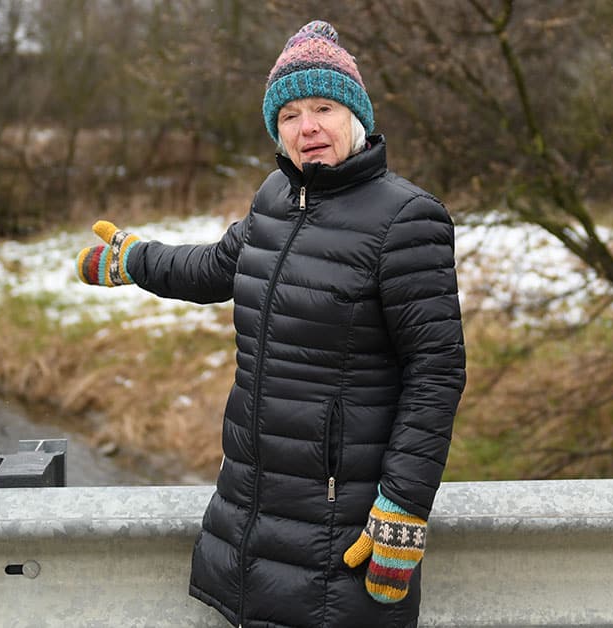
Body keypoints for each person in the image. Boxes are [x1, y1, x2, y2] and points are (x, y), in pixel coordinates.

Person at [76, 20, 465, 628]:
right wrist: (135, 259)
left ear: (355, 117)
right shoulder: (274, 202)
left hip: (339, 525)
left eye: (323, 107)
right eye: (288, 115)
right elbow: (213, 267)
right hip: (251, 515)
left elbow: (436, 372)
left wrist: (403, 511)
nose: (306, 127)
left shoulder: (407, 219)